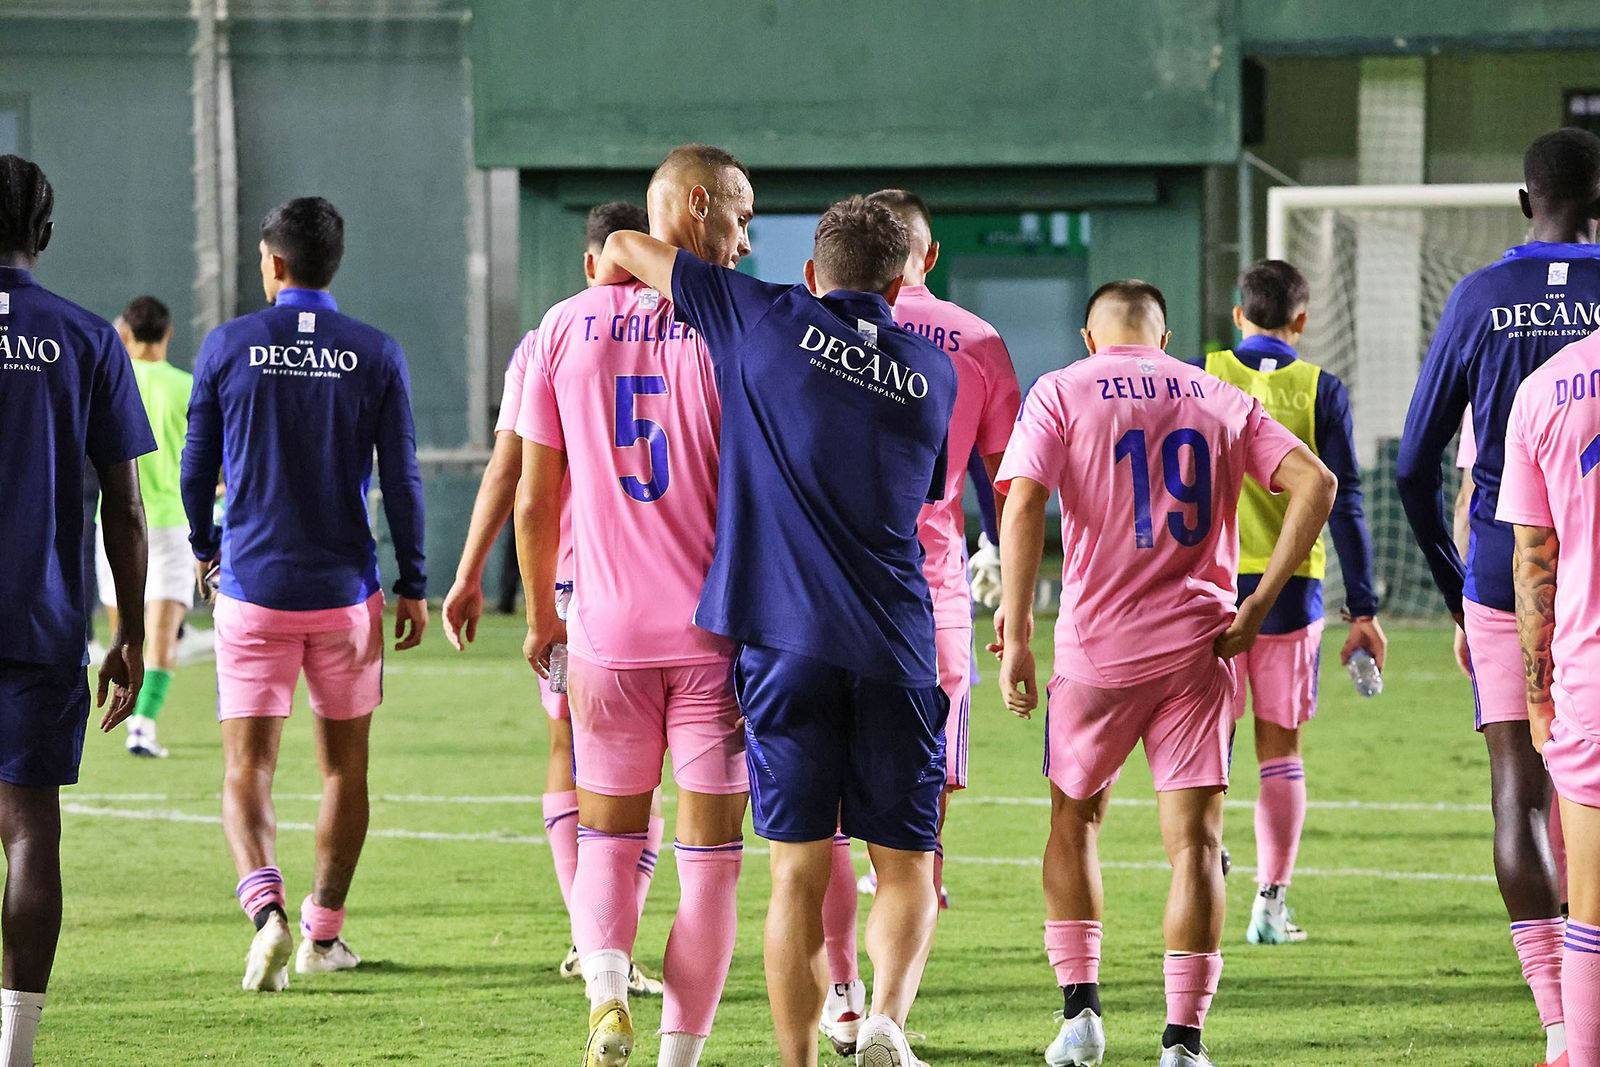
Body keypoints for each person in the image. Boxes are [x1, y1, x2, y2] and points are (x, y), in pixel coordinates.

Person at [596, 194, 958, 1067]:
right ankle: (885, 1019)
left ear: (809, 273)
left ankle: (797, 1061)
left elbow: (626, 244)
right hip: (898, 649)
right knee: (908, 865)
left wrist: (617, 288)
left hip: (786, 645)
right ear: (902, 283)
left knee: (795, 874)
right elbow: (926, 488)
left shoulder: (762, 314)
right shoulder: (933, 372)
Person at [994, 280, 1335, 1067]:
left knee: (1074, 821)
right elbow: (1317, 484)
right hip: (1197, 652)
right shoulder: (1215, 392)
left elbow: (1023, 503)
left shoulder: (1061, 389)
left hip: (1096, 653)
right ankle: (1183, 1039)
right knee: (1196, 844)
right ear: (1165, 336)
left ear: (1090, 337)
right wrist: (1257, 605)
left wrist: (1016, 628)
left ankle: (1081, 1015)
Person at [516, 145, 753, 1067]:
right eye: (739, 213)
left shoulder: (562, 325)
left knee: (608, 837)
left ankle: (607, 995)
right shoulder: (731, 323)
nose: (745, 238)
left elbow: (537, 497)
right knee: (710, 867)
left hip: (603, 634)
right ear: (695, 204)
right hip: (713, 639)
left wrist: (542, 617)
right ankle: (677, 1057)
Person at [181, 196, 428, 993]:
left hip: (253, 586)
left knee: (247, 767)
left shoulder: (228, 345)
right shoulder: (376, 351)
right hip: (345, 595)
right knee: (343, 771)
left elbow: (195, 467)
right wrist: (414, 581)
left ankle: (267, 913)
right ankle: (322, 934)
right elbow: (402, 478)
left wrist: (204, 546)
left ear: (275, 263)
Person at [1397, 127, 1600, 1067]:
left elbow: (1412, 465)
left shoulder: (1479, 296)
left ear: (1525, 201)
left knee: (1520, 790)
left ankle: (1560, 1022)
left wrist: (1455, 590)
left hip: (1507, 575)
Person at [813, 187, 1021, 1056]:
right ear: (924, 258)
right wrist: (1015, 599)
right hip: (928, 606)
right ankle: (889, 1015)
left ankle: (842, 996)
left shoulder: (803, 330)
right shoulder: (976, 341)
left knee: (819, 820)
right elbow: (1012, 486)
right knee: (915, 829)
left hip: (816, 601)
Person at [440, 201, 665, 995]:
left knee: (574, 749)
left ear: (590, 262)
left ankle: (591, 937)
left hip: (579, 585)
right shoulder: (694, 327)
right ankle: (607, 942)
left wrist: (469, 571)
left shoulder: (548, 337)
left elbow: (511, 471)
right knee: (650, 771)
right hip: (674, 586)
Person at [0, 154, 154, 1067]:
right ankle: (14, 1050)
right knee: (30, 827)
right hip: (42, 621)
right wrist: (129, 633)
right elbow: (125, 508)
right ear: (45, 235)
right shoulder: (89, 337)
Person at [1204, 259, 1387, 944]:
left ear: (1238, 316)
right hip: (1290, 593)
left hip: (1209, 591)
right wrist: (1362, 608)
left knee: (1204, 745)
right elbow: (1346, 501)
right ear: (1301, 320)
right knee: (1279, 750)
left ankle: (1206, 858)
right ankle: (1269, 906)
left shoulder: (1203, 375)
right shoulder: (1320, 389)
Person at [1501, 327, 1600, 1067]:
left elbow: (1535, 558)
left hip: (1590, 674)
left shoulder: (1544, 389)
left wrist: (1539, 699)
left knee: (1590, 908)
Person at [92, 296, 193, 759]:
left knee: (125, 635)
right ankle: (143, 726)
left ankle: (121, 715)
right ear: (169, 333)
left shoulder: (113, 379)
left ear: (126, 334)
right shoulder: (187, 386)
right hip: (171, 523)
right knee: (161, 636)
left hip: (115, 523)